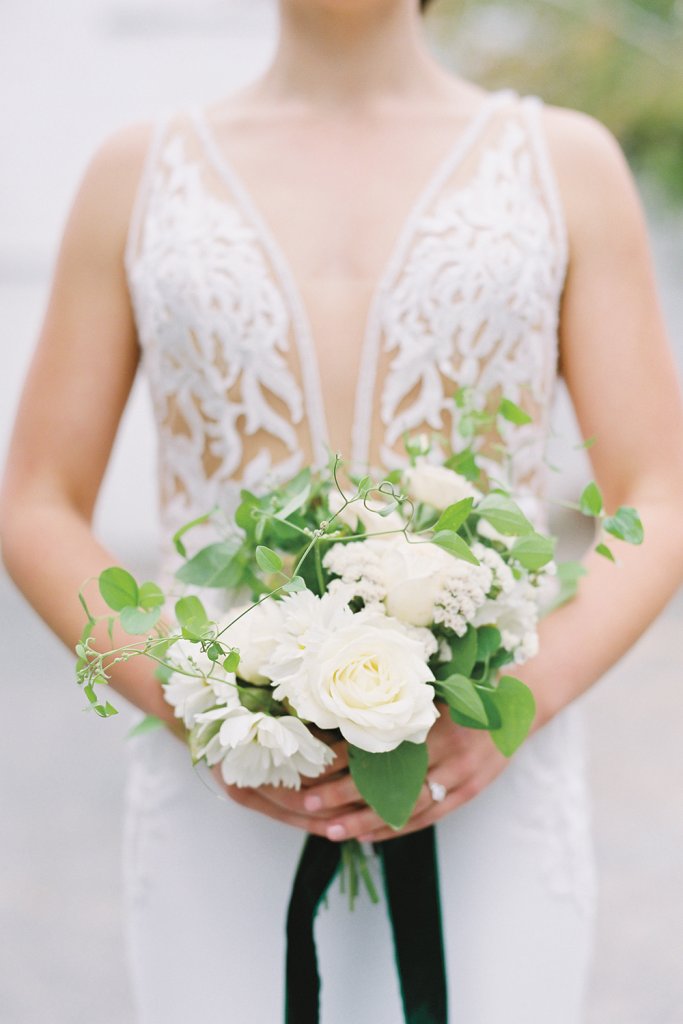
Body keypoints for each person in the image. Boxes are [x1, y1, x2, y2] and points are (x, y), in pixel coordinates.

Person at [2, 0, 683, 1021]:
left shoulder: (562, 163)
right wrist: (195, 703)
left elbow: (657, 493)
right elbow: (38, 501)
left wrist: (518, 704)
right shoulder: (136, 173)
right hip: (223, 792)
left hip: (487, 775)